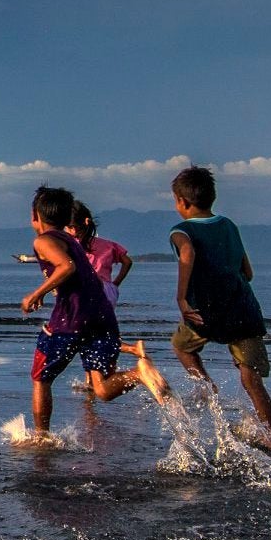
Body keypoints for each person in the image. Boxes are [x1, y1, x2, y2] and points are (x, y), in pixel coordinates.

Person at [22, 186, 169, 437]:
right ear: (69, 215)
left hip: (72, 317)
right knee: (101, 389)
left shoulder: (44, 240)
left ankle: (41, 437)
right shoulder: (73, 241)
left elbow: (66, 267)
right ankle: (138, 373)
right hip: (102, 316)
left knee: (41, 377)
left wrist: (36, 293)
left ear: (35, 215)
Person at [167, 166, 271, 447]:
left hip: (207, 313)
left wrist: (182, 298)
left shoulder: (182, 230)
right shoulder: (229, 225)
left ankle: (206, 386)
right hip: (244, 311)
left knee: (182, 346)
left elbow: (188, 252)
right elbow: (248, 273)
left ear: (182, 202)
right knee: (252, 380)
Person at [69, 200, 133, 307]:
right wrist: (115, 284)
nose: (72, 230)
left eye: (71, 226)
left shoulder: (71, 245)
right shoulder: (108, 245)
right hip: (107, 290)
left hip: (85, 290)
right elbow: (127, 262)